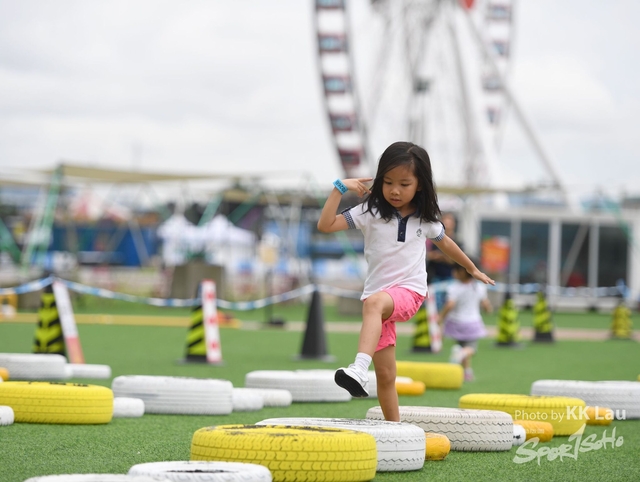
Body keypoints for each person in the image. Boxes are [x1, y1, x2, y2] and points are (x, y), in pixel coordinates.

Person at [317, 141, 495, 421]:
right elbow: (326, 226)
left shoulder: (425, 219)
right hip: (377, 302)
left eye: (404, 183)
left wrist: (472, 269)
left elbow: (447, 245)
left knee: (374, 304)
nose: (394, 190)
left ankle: (357, 369)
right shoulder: (368, 213)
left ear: (420, 185)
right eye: (387, 182)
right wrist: (340, 187)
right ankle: (395, 430)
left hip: (409, 293)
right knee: (386, 376)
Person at [439, 260, 493, 382]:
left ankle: (467, 372)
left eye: (455, 270)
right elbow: (485, 304)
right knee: (471, 349)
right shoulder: (478, 287)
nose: (453, 273)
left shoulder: (454, 287)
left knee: (462, 347)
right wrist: (489, 310)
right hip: (472, 323)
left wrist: (441, 316)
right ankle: (462, 355)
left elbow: (449, 305)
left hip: (455, 322)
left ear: (462, 272)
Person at [426, 212, 459, 310]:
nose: (447, 224)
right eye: (445, 221)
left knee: (449, 306)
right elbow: (427, 254)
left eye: (450, 221)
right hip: (435, 277)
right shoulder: (433, 240)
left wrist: (444, 258)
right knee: (434, 307)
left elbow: (457, 261)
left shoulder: (458, 241)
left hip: (451, 278)